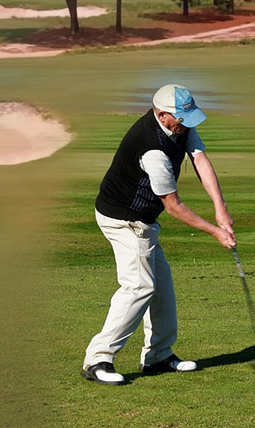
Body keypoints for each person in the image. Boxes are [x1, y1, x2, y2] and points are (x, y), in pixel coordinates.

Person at [81, 84, 236, 386]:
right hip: (124, 219)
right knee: (140, 286)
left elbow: (199, 159)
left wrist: (221, 208)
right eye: (181, 119)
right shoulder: (153, 150)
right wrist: (215, 231)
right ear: (163, 115)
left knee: (161, 287)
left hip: (144, 219)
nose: (186, 126)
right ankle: (97, 358)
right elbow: (173, 205)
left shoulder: (180, 127)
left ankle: (158, 356)